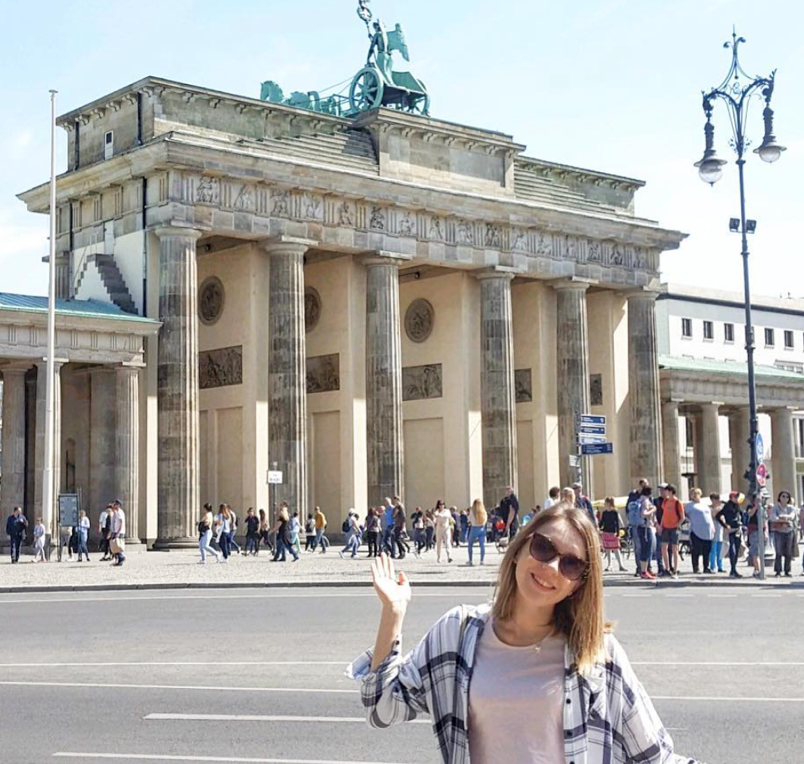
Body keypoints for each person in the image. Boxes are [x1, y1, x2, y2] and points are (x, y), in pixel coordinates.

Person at [348, 504, 702, 764]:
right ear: (519, 549)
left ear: (578, 586)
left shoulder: (596, 652)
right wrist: (392, 615)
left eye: (571, 564)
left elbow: (655, 757)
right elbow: (382, 709)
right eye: (543, 548)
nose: (550, 567)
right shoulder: (457, 634)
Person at [685, 488, 714, 574]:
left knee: (707, 550)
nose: (694, 495)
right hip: (696, 530)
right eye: (692, 494)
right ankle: (696, 567)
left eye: (696, 494)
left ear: (699, 494)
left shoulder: (704, 505)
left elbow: (709, 516)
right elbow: (683, 515)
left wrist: (712, 527)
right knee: (696, 550)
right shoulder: (689, 505)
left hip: (707, 530)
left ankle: (706, 567)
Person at [660, 484, 685, 579]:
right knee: (664, 547)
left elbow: (683, 517)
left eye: (666, 491)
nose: (664, 492)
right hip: (665, 527)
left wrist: (677, 525)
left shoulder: (677, 502)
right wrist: (661, 525)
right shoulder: (665, 501)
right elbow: (664, 514)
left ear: (670, 491)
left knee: (675, 548)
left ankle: (675, 569)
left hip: (674, 528)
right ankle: (667, 568)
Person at [716, 492, 743, 578]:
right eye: (735, 497)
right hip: (731, 529)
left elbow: (740, 515)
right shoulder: (728, 506)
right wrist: (725, 525)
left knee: (737, 548)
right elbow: (718, 516)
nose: (736, 498)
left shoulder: (737, 505)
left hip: (738, 528)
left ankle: (733, 569)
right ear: (731, 497)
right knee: (733, 549)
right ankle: (733, 569)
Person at [771, 490, 796, 578]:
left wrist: (781, 518)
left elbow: (792, 517)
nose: (785, 498)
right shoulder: (775, 507)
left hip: (789, 532)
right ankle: (778, 571)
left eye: (786, 497)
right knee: (778, 551)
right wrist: (785, 520)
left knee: (788, 552)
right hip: (779, 532)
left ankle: (787, 571)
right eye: (783, 496)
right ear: (779, 497)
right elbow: (773, 518)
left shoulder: (791, 508)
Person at [599, 497, 626, 572]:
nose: (605, 504)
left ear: (609, 503)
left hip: (613, 532)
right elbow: (602, 522)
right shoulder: (604, 513)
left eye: (606, 502)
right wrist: (599, 527)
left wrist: (617, 533)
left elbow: (617, 523)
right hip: (606, 532)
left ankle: (621, 565)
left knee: (616, 549)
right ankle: (609, 565)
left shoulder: (615, 512)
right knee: (608, 550)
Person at [637, 486, 657, 580]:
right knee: (646, 549)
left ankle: (644, 570)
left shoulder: (639, 500)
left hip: (640, 527)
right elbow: (643, 514)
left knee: (645, 549)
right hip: (645, 527)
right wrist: (653, 509)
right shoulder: (645, 501)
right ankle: (644, 571)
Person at [466, 498, 487, 567]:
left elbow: (469, 520)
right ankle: (482, 560)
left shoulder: (472, 511)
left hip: (474, 528)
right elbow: (485, 520)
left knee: (470, 544)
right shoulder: (483, 511)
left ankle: (470, 560)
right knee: (482, 545)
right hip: (482, 528)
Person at [708, 494, 725, 573]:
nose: (718, 501)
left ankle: (720, 566)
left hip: (720, 531)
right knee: (713, 550)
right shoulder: (709, 508)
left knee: (720, 551)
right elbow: (713, 515)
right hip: (712, 531)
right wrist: (717, 508)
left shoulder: (722, 508)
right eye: (716, 499)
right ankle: (712, 566)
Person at [110, 500, 126, 567]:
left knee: (117, 546)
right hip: (116, 531)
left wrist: (118, 532)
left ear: (118, 505)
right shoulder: (116, 512)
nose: (114, 505)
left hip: (119, 531)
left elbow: (121, 522)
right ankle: (119, 559)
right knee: (115, 546)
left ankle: (121, 558)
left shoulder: (120, 512)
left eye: (115, 504)